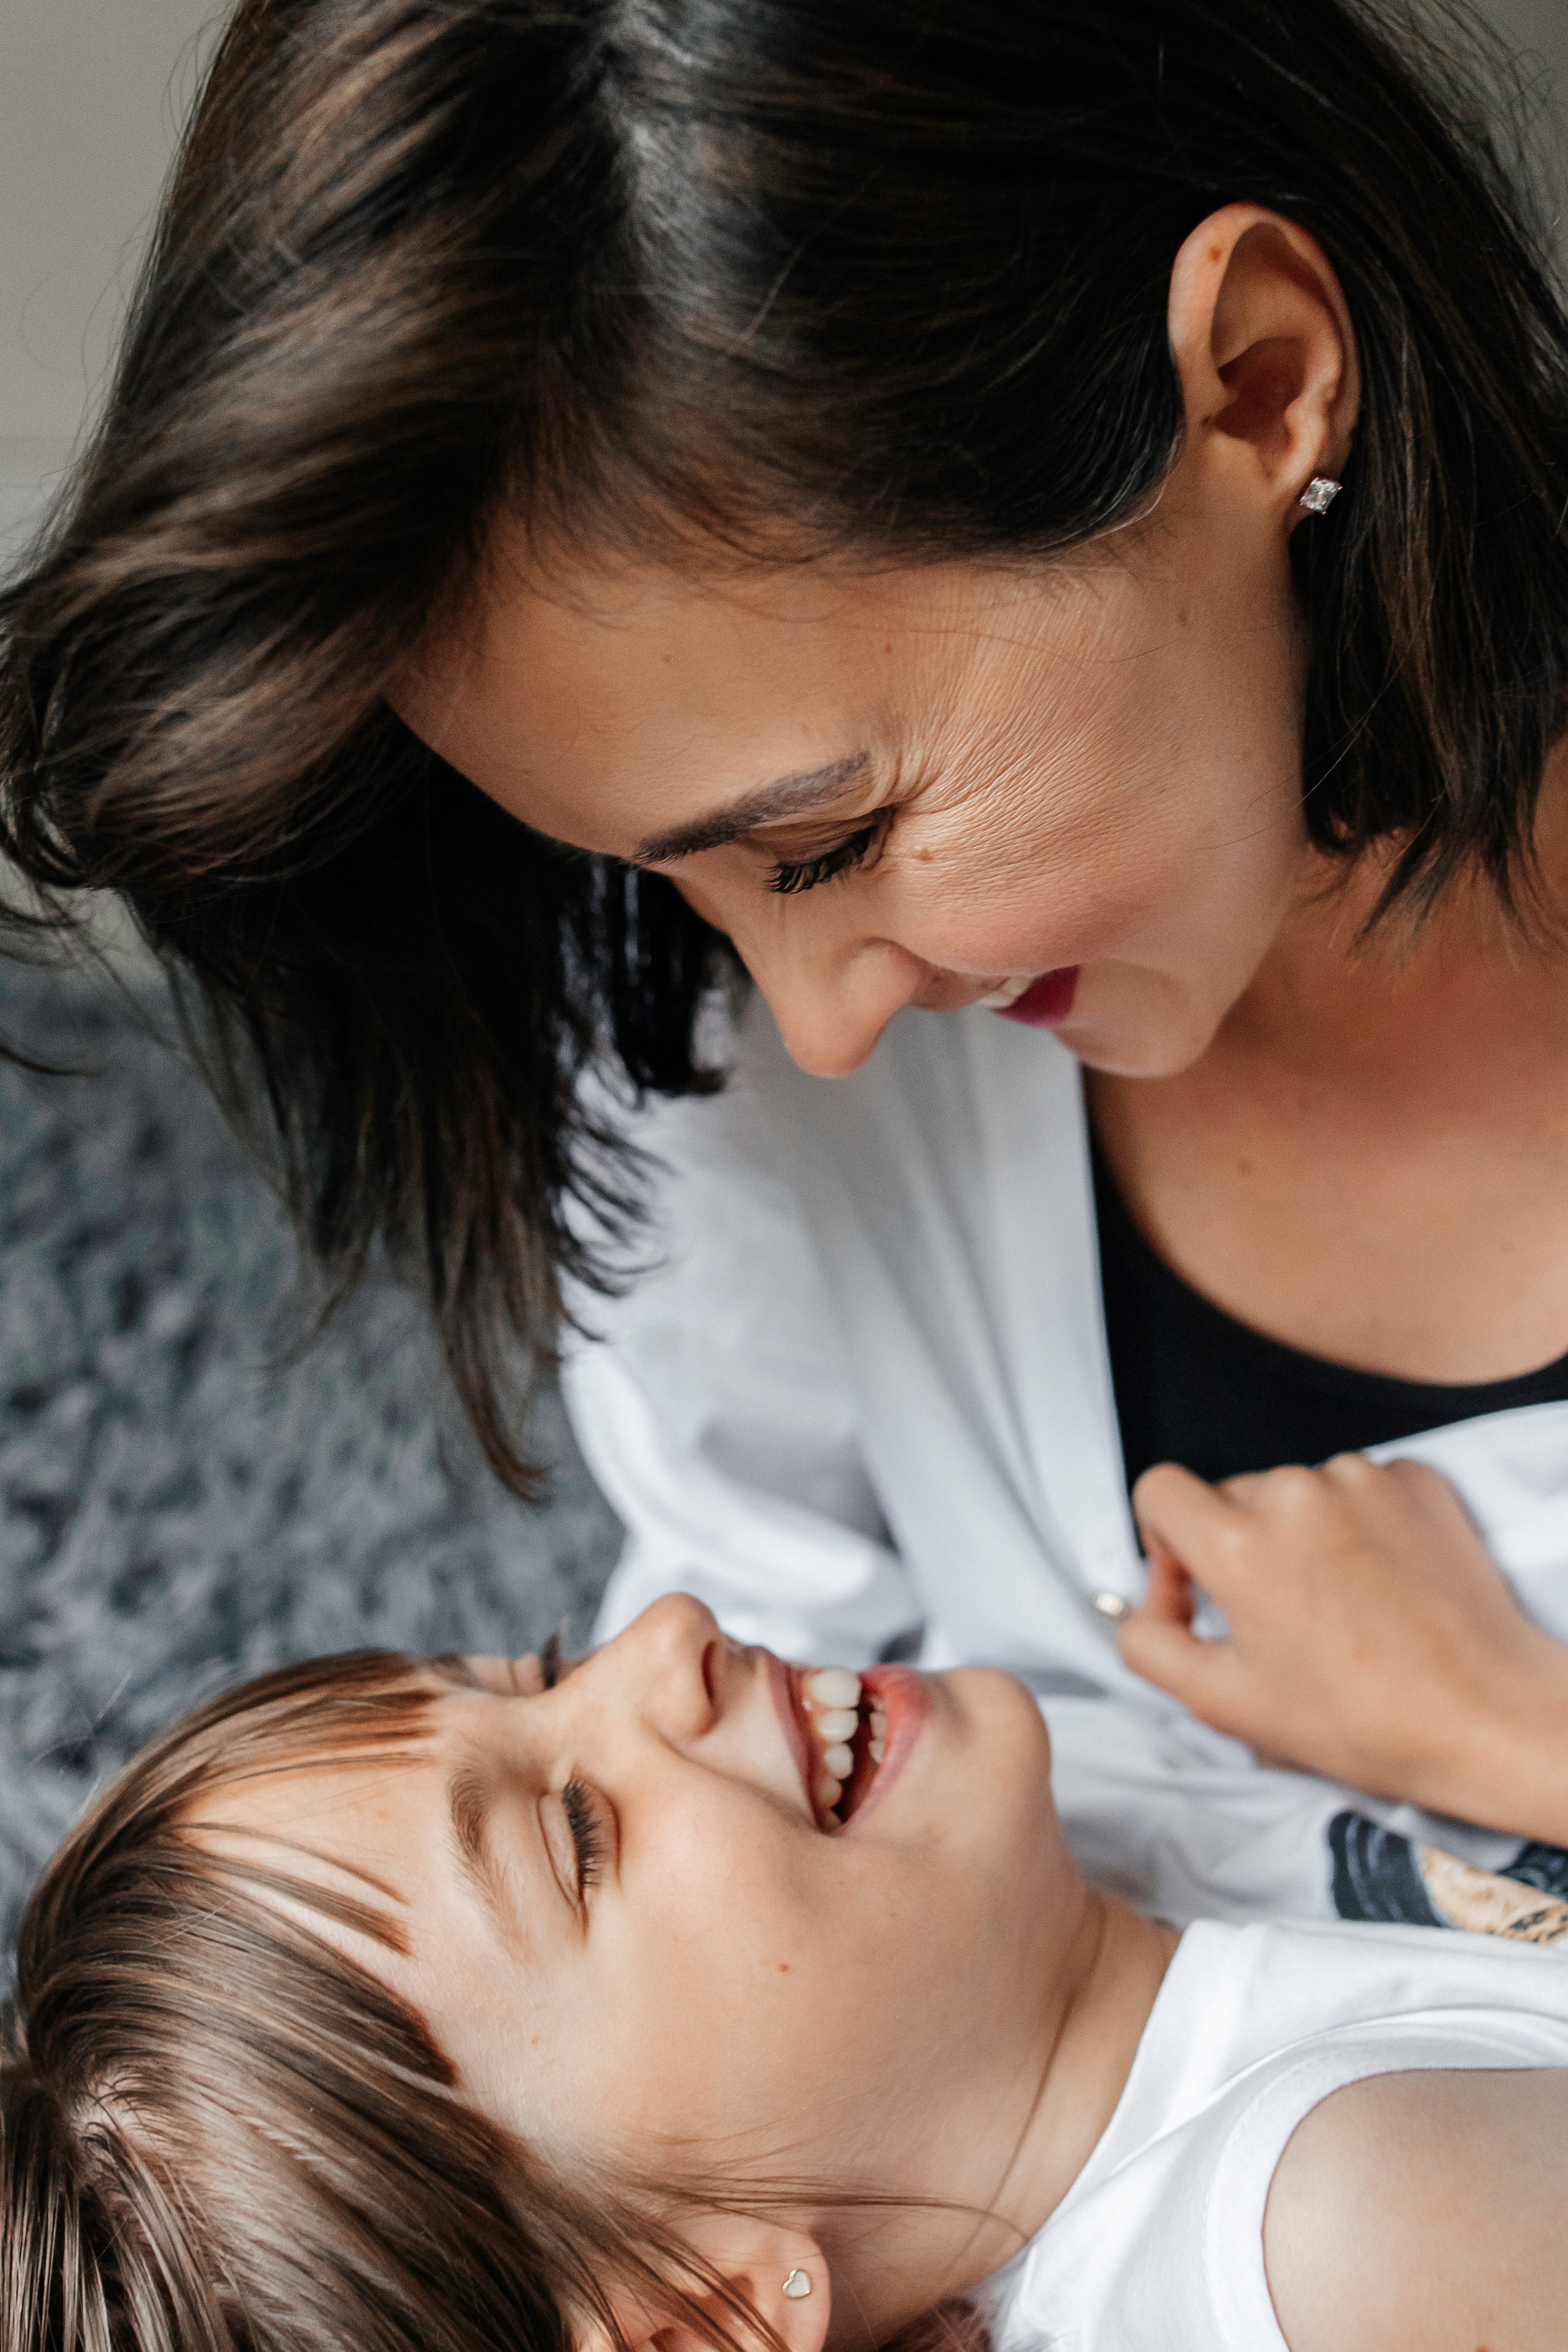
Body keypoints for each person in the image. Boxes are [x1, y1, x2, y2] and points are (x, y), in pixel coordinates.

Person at [4, 0, 1568, 1914]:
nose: (818, 1024)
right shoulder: (703, 1045)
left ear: (1258, 384)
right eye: (679, 881)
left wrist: (1507, 1737)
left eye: (829, 843)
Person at [7, 1593, 1568, 2352]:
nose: (662, 1632)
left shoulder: (1003, 1845)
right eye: (577, 1834)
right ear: (708, 2319)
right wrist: (1509, 1733)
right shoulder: (1348, 2236)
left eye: (541, 1670)